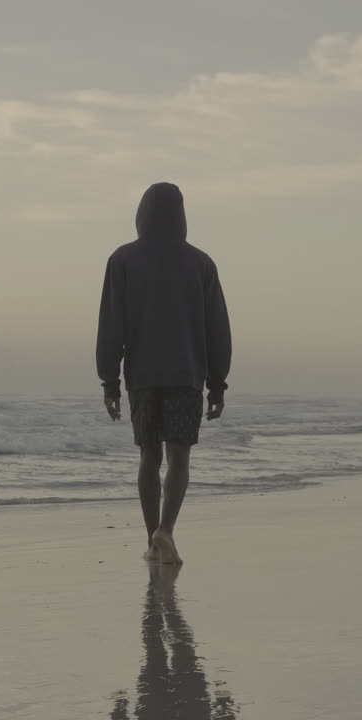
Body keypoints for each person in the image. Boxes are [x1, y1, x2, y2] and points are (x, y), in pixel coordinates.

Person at [96, 182, 232, 565]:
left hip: (141, 376)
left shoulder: (122, 260)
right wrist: (218, 384)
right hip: (187, 374)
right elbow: (217, 328)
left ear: (142, 214)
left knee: (148, 456)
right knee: (179, 458)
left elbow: (111, 324)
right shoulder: (201, 263)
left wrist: (109, 380)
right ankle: (166, 531)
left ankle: (152, 540)